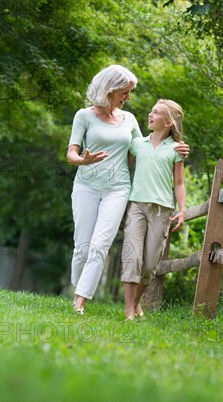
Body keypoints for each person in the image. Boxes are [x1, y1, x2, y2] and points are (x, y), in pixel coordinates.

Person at [67, 65, 189, 314]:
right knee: (82, 246)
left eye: (129, 92)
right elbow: (71, 152)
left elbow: (148, 146)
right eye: (125, 92)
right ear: (109, 89)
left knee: (101, 244)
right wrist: (82, 160)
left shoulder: (130, 120)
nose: (128, 97)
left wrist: (178, 148)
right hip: (86, 186)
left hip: (118, 190)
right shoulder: (84, 116)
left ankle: (80, 300)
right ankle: (77, 286)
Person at [121, 99, 186, 321]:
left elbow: (179, 183)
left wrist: (183, 209)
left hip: (163, 211)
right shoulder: (137, 144)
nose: (150, 115)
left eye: (156, 113)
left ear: (168, 122)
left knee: (149, 264)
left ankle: (136, 303)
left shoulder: (176, 149)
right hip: (137, 206)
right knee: (132, 258)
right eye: (151, 111)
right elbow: (122, 166)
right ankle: (129, 311)